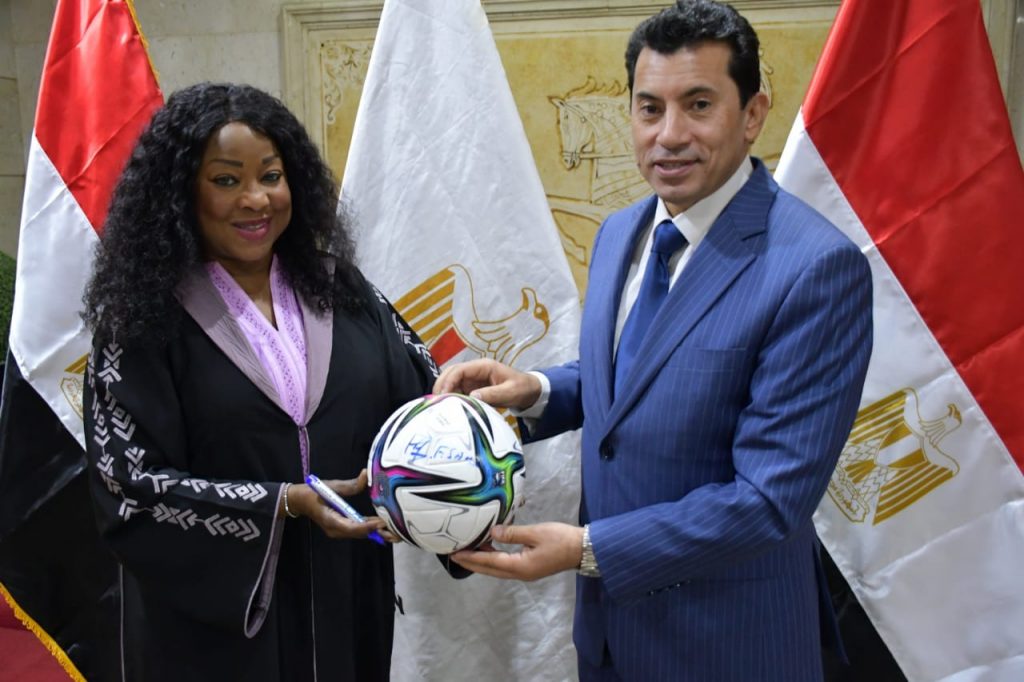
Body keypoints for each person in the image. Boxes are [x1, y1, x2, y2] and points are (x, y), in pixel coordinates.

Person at [433, 1, 873, 680]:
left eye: (698, 105)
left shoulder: (816, 268)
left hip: (728, 646)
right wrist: (539, 390)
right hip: (609, 639)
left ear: (753, 114)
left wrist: (588, 549)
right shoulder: (621, 232)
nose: (669, 135)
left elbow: (766, 501)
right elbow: (638, 377)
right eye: (649, 109)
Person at [81, 83, 445, 681]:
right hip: (214, 635)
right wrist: (281, 504)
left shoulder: (345, 291)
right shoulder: (140, 322)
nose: (256, 199)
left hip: (346, 605)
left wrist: (478, 431)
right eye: (226, 180)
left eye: (271, 176)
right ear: (180, 193)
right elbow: (128, 488)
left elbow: (427, 402)